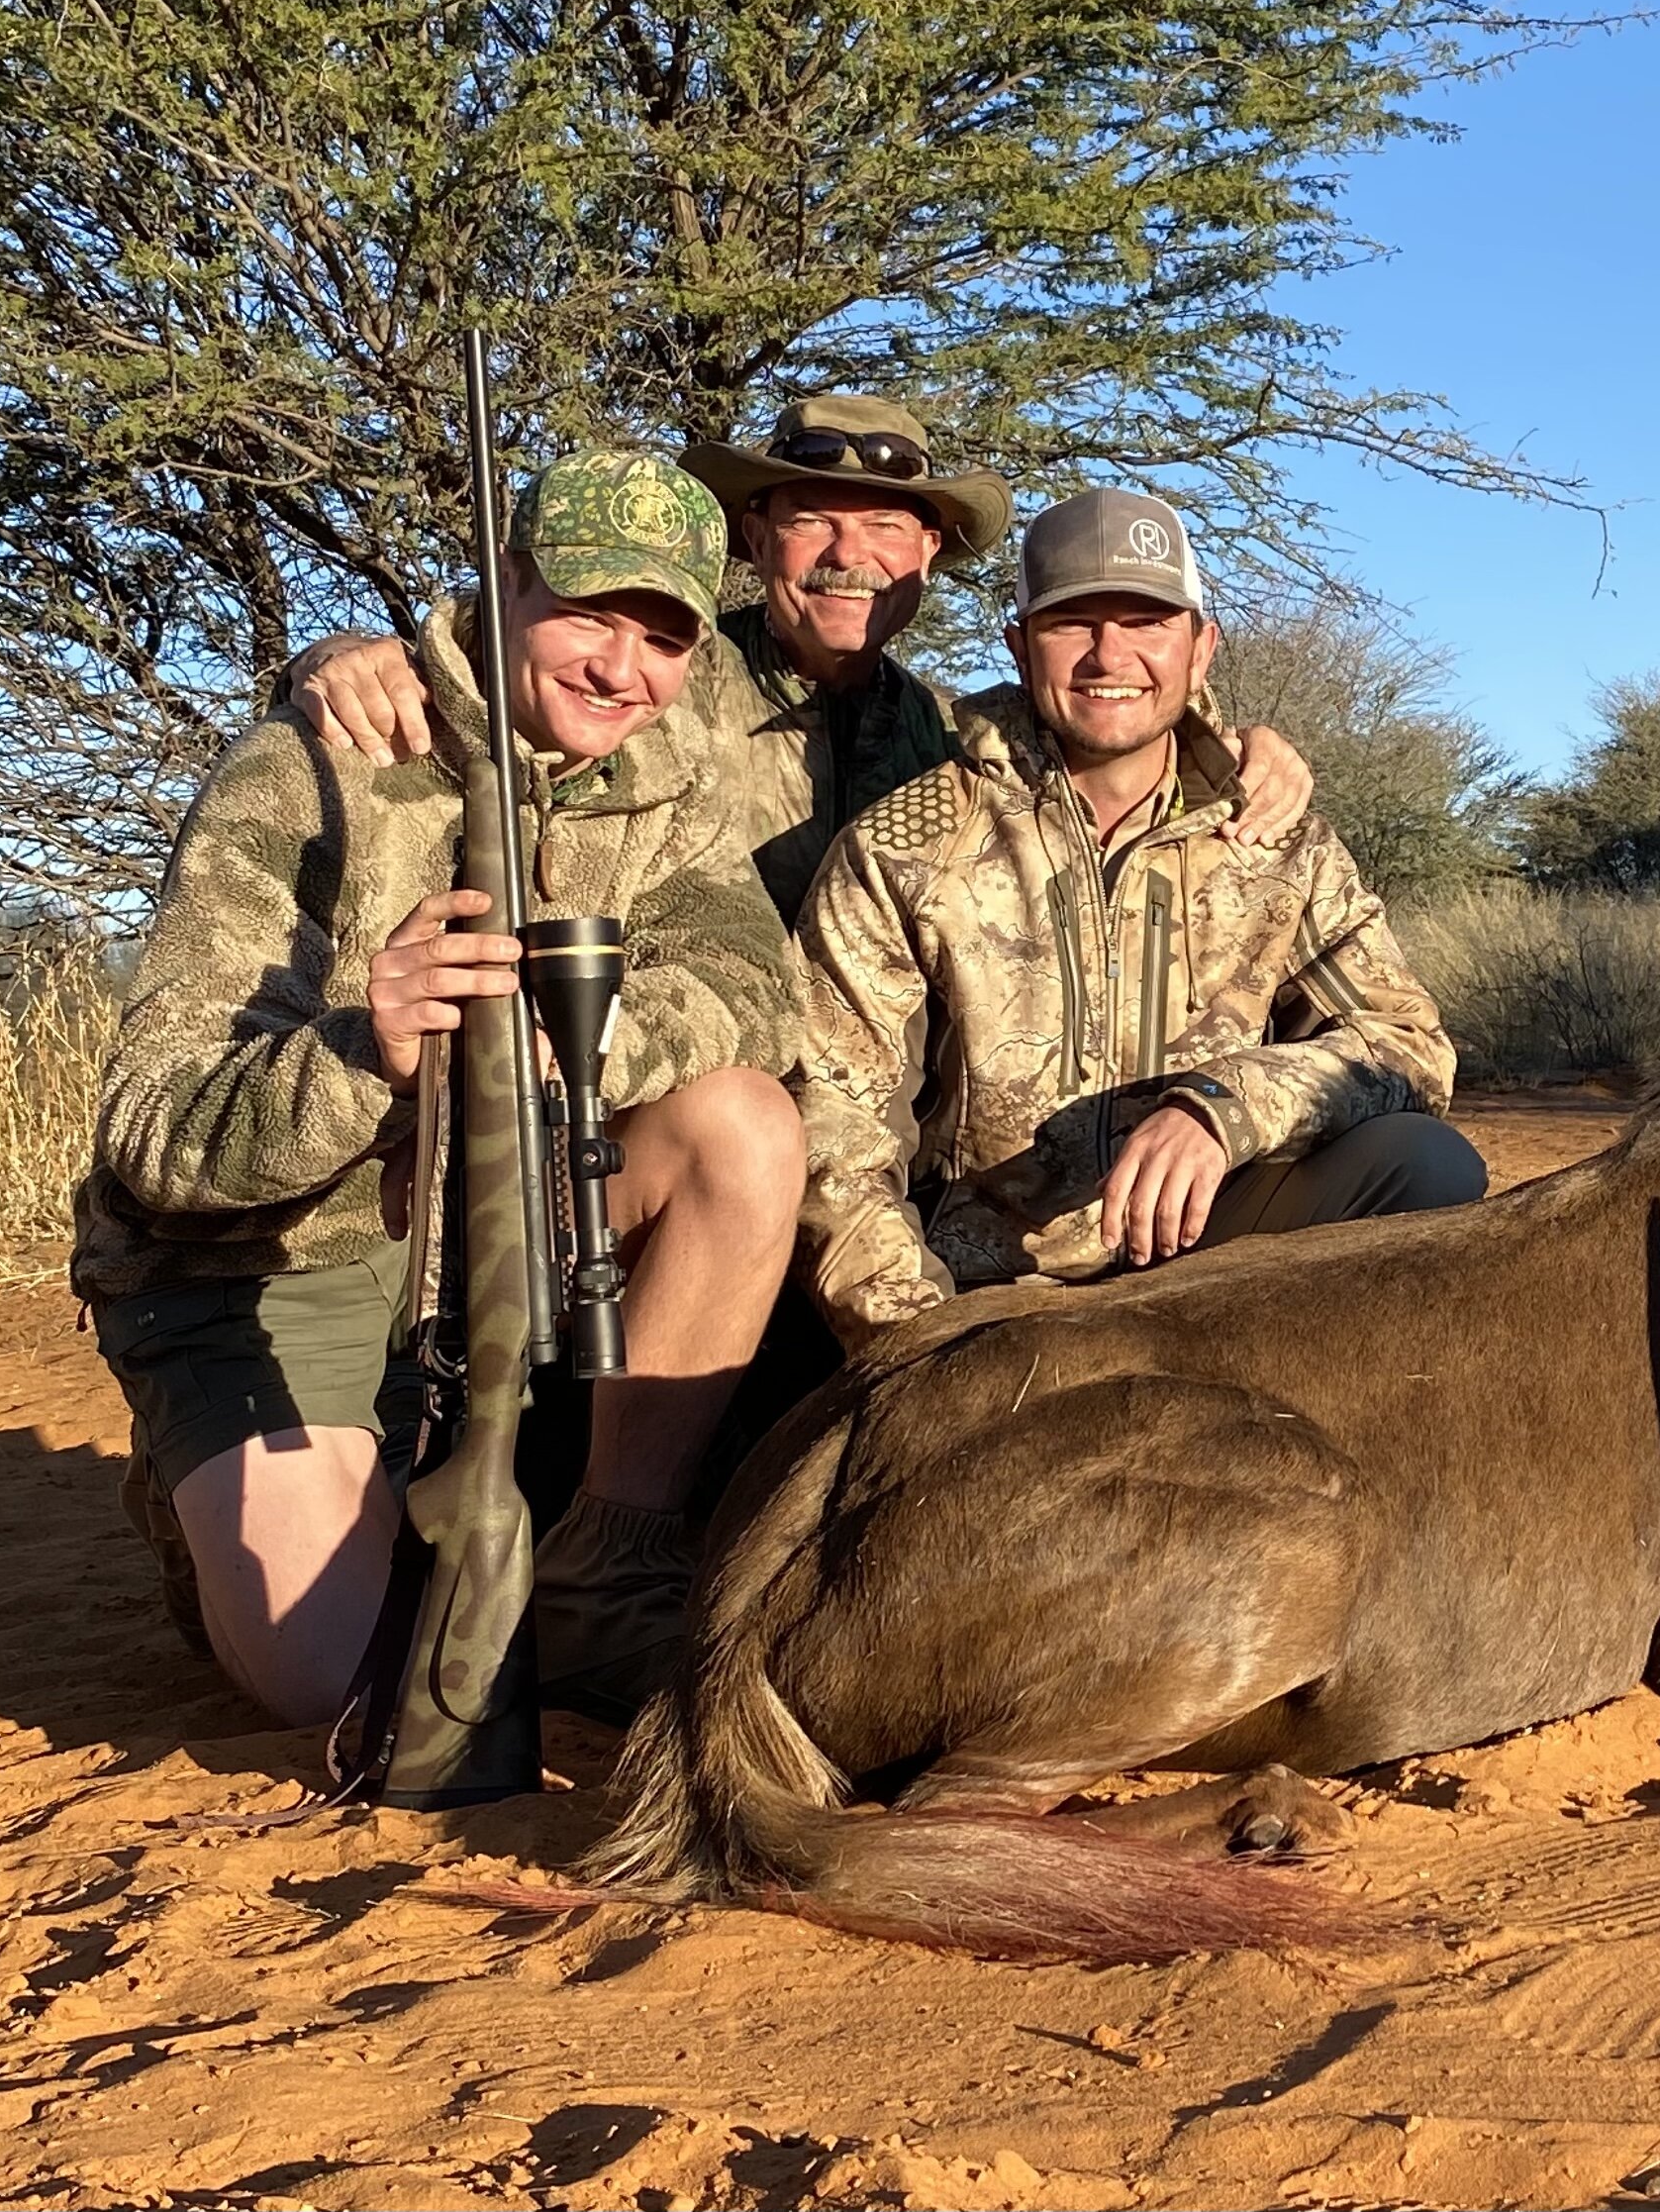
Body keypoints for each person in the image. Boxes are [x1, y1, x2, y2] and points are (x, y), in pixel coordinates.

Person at [73, 452, 805, 1729]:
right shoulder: (306, 768)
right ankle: (206, 1490)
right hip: (273, 1261)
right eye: (588, 614)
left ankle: (606, 1558)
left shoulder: (670, 779)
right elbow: (152, 1130)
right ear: (506, 579)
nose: (620, 669)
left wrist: (568, 1048)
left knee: (744, 1122)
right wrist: (369, 1050)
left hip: (494, 1230)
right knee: (341, 1680)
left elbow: (754, 985)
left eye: (664, 635)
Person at [798, 486, 1486, 1348]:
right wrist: (920, 1344)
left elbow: (1407, 1044)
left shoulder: (1280, 839)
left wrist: (1224, 1107)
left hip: (1209, 1267)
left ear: (1202, 649)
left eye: (1147, 622)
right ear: (1019, 645)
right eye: (1071, 623)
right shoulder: (908, 841)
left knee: (1424, 1165)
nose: (1109, 655)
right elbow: (834, 1124)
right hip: (989, 1302)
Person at [286, 395, 1319, 927]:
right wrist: (339, 654)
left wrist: (1238, 743)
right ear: (753, 539)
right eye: (813, 520)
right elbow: (492, 667)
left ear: (928, 558)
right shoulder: (657, 683)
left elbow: (1112, 715)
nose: (849, 559)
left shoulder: (949, 731)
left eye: (887, 531)